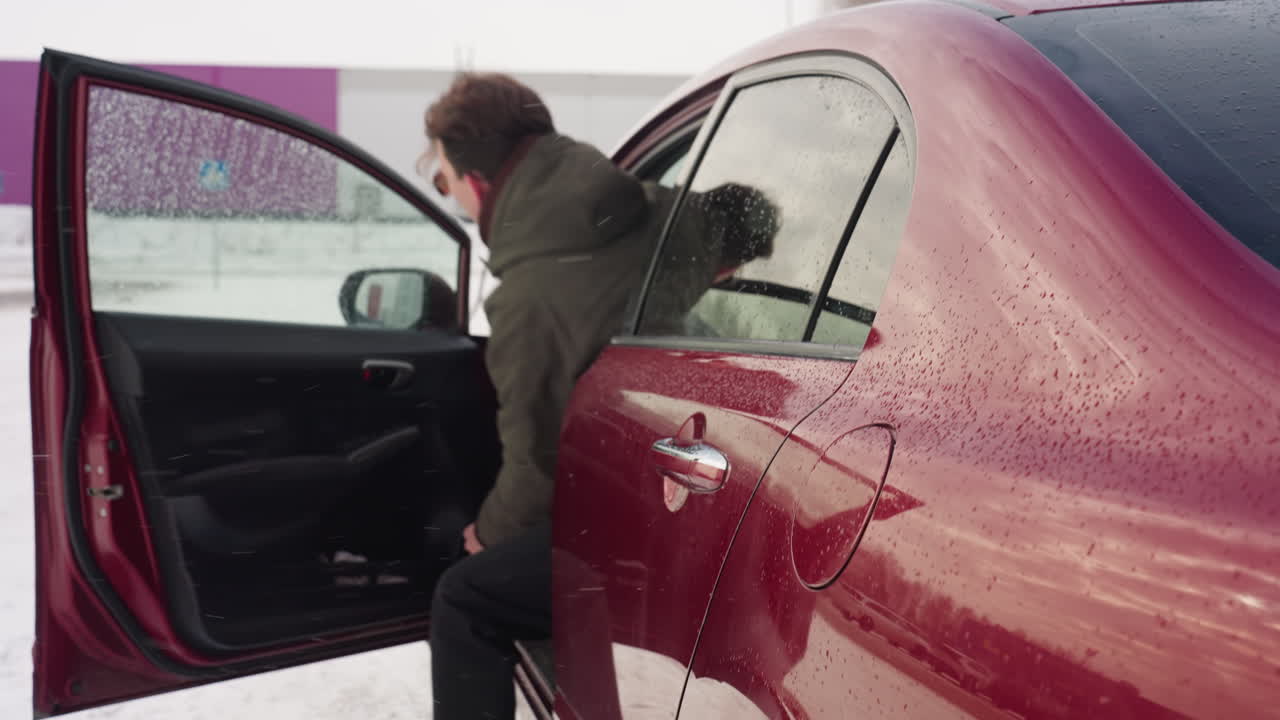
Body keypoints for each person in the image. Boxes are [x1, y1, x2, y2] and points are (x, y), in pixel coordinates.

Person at [420, 72, 779, 719]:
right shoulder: (658, 215)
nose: (452, 199)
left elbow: (534, 471)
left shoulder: (525, 303)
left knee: (465, 597)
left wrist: (486, 534)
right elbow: (752, 219)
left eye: (443, 183)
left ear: (475, 184)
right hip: (713, 484)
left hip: (649, 518)